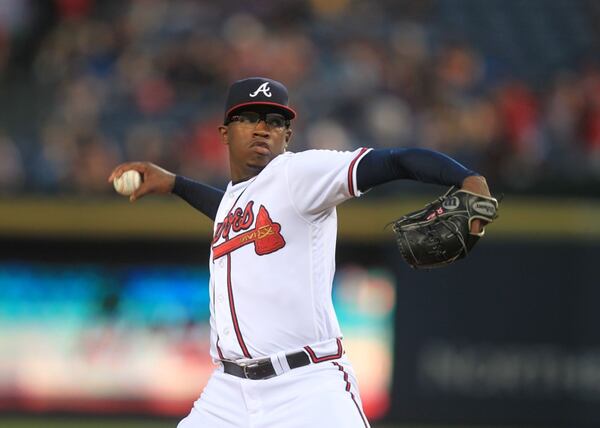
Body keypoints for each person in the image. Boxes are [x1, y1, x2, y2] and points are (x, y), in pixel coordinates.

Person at [108, 77, 491, 427]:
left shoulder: (299, 175)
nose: (262, 128)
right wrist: (175, 183)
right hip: (227, 394)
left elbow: (392, 161)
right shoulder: (237, 203)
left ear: (287, 135)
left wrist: (467, 178)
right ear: (225, 133)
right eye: (249, 118)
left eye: (274, 121)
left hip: (306, 388)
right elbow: (226, 210)